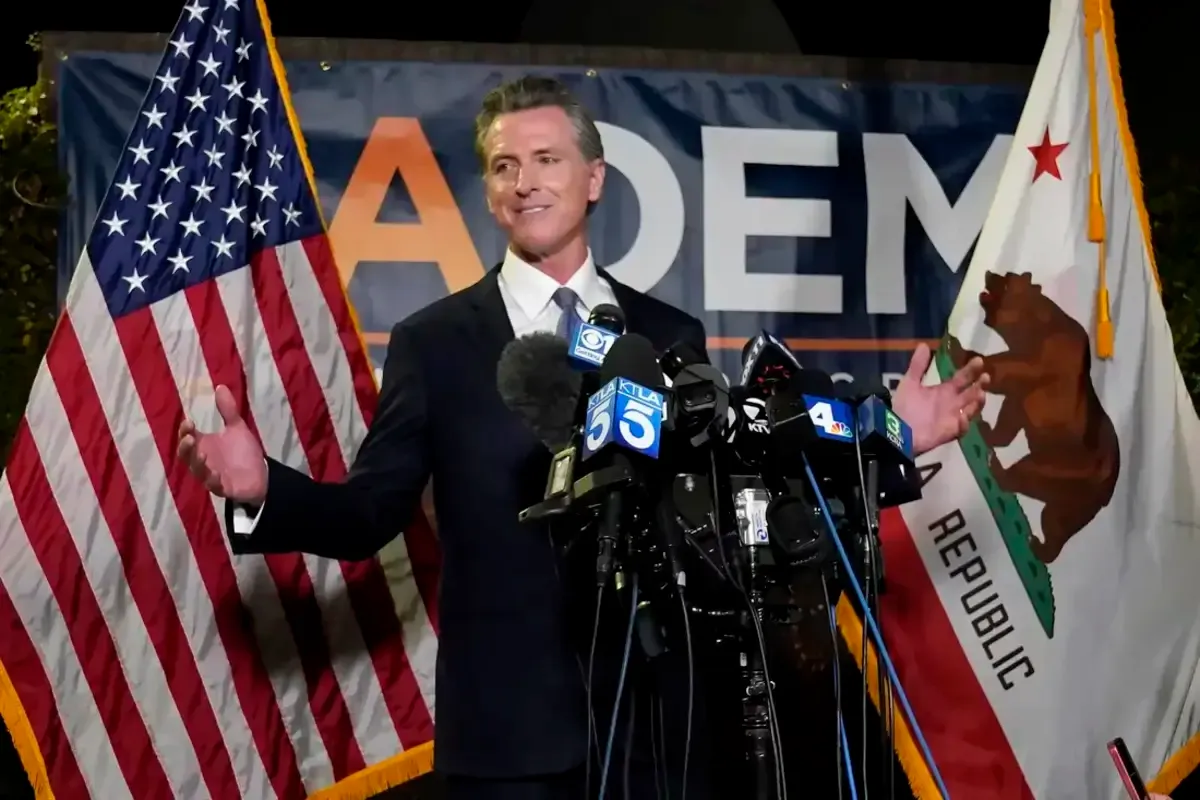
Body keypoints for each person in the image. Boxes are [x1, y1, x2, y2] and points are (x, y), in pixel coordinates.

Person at [177, 75, 988, 799]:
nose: (525, 182)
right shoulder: (435, 342)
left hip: (659, 735)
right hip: (506, 746)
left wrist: (886, 442)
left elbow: (738, 509)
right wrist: (263, 490)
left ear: (594, 179)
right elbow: (365, 515)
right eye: (504, 166)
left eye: (547, 159)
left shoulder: (668, 333)